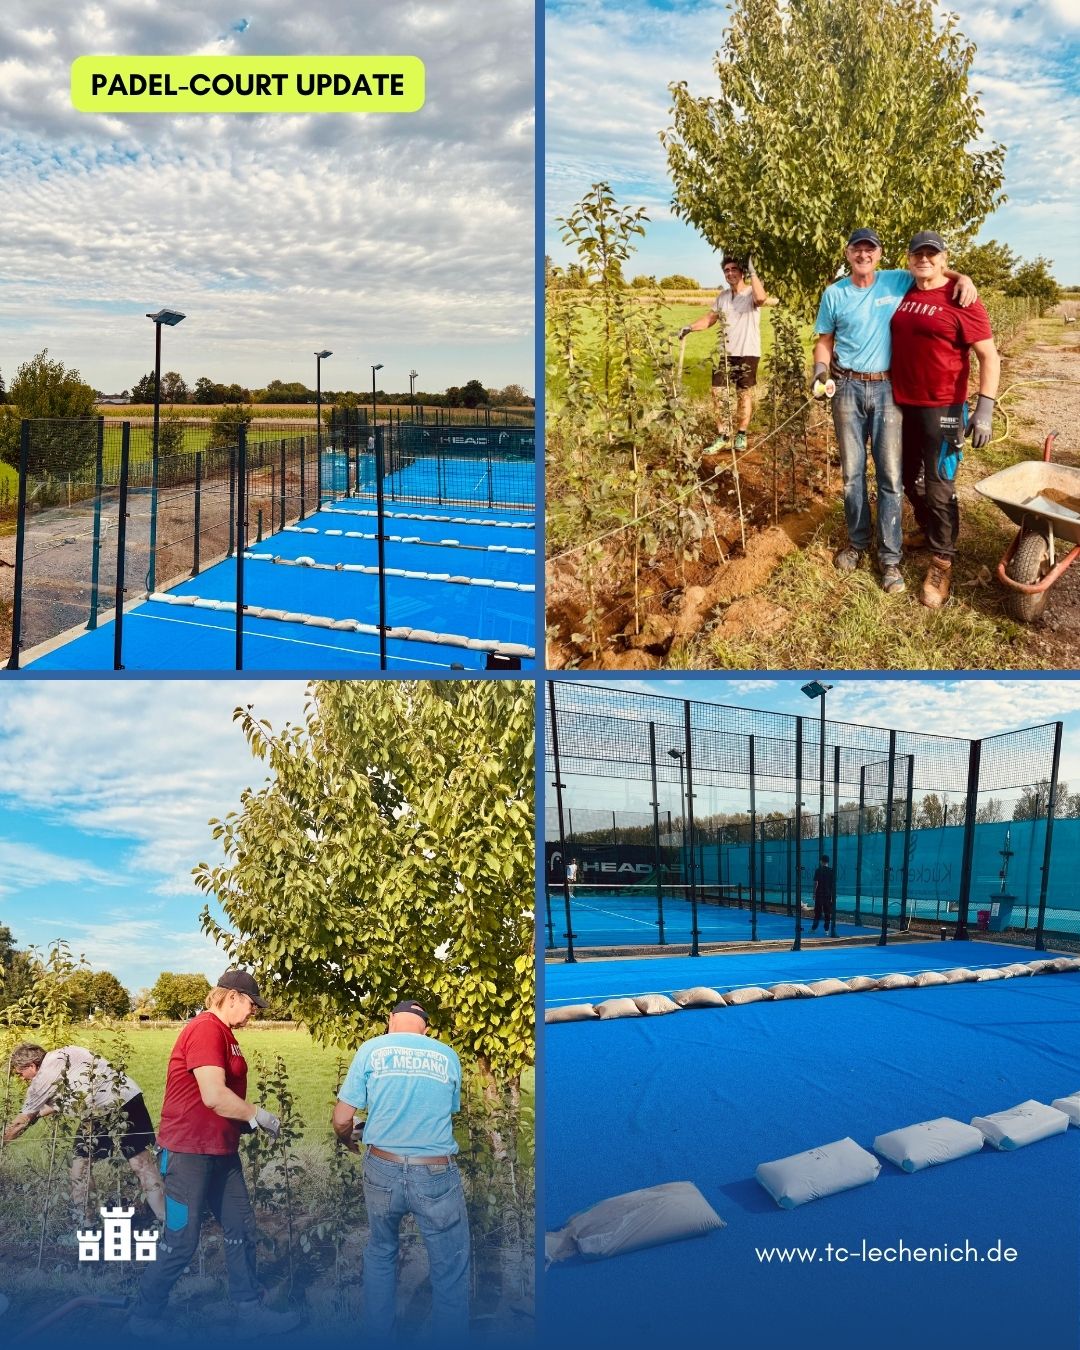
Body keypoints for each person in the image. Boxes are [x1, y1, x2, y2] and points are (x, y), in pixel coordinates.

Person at [128, 970, 298, 1337]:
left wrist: (243, 1122)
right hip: (188, 1152)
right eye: (252, 1004)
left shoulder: (226, 1034)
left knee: (241, 1228)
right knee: (181, 1239)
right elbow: (214, 1095)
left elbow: (221, 1100)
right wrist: (259, 1115)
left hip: (221, 1150)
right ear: (232, 996)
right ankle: (143, 1316)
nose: (254, 1012)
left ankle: (249, 1310)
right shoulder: (206, 1028)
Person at [811, 229, 977, 595]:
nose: (863, 255)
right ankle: (857, 542)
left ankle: (890, 558)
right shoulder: (834, 294)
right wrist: (820, 371)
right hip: (847, 388)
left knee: (890, 475)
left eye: (869, 249)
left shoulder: (896, 280)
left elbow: (931, 270)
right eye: (857, 249)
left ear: (880, 254)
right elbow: (824, 341)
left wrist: (962, 278)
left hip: (888, 389)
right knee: (852, 474)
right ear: (847, 253)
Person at [333, 999, 469, 1344]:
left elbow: (341, 1118)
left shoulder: (371, 1049)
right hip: (435, 1171)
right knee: (450, 1266)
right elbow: (446, 1109)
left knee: (381, 1251)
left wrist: (348, 1138)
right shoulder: (448, 1055)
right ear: (426, 1027)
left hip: (382, 1166)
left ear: (391, 1019)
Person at [889, 231, 1001, 609]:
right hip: (902, 404)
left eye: (932, 254)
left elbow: (989, 356)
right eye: (918, 254)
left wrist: (984, 408)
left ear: (944, 257)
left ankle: (942, 561)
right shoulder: (904, 289)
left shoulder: (962, 298)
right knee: (906, 477)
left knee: (939, 484)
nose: (925, 259)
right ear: (909, 258)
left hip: (945, 408)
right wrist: (957, 273)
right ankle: (928, 529)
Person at [5, 1042, 165, 1226]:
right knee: (142, 1163)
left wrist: (3, 1141)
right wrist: (37, 1114)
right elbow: (62, 1100)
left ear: (32, 1066)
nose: (22, 1079)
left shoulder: (43, 1076)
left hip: (101, 1108)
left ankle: (87, 1224)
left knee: (80, 1168)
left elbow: (21, 1121)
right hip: (129, 1097)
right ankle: (168, 1224)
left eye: (21, 1073)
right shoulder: (67, 1053)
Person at [678, 256, 773, 451]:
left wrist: (753, 271)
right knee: (717, 391)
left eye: (734, 269)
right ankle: (723, 435)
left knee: (743, 393)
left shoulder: (751, 293)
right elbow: (710, 319)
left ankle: (741, 435)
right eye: (726, 270)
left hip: (747, 352)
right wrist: (690, 327)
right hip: (725, 353)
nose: (730, 273)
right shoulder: (722, 297)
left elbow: (761, 299)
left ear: (742, 272)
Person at [810, 855, 835, 933]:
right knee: (827, 913)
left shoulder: (818, 870)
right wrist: (832, 896)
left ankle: (813, 929)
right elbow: (833, 885)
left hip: (819, 895)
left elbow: (816, 883)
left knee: (817, 913)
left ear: (821, 861)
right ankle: (826, 930)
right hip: (828, 895)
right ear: (828, 862)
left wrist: (814, 893)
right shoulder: (831, 871)